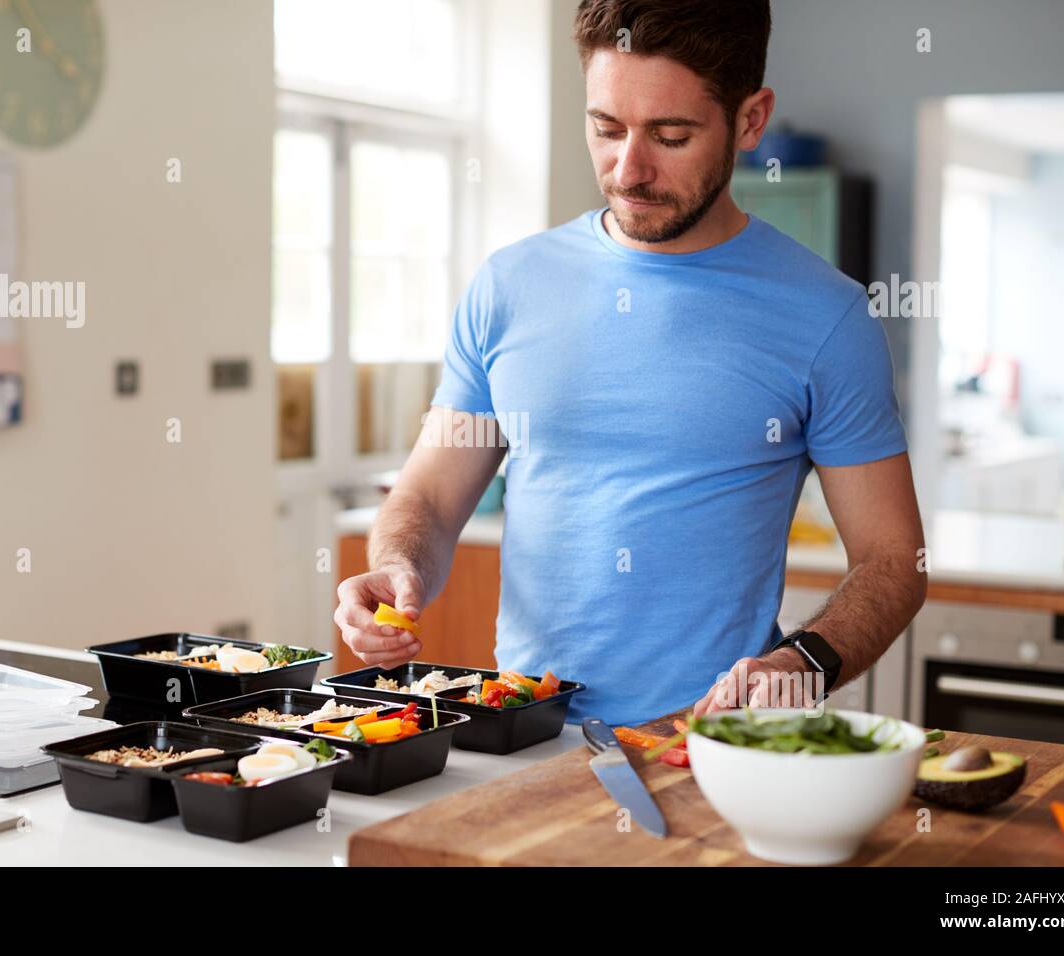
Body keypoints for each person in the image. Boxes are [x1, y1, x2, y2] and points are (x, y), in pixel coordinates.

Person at [333, 0, 926, 726]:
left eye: (671, 135)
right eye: (605, 128)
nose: (629, 169)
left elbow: (894, 560)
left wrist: (804, 660)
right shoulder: (509, 286)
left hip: (709, 742)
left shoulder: (826, 318)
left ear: (750, 119)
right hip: (520, 731)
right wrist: (399, 568)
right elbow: (427, 498)